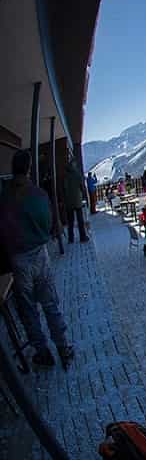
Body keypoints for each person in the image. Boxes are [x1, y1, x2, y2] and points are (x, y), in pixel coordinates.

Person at [0, 150, 74, 366]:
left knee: (28, 308)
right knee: (50, 302)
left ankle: (42, 352)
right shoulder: (38, 194)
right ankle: (62, 347)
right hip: (40, 254)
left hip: (18, 259)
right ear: (29, 169)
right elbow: (50, 224)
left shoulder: (4, 198)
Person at [63, 159, 89, 243]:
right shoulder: (77, 174)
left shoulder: (65, 175)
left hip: (68, 201)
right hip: (77, 200)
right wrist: (83, 195)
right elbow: (82, 187)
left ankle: (71, 239)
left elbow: (63, 188)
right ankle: (83, 237)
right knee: (80, 220)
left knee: (70, 221)